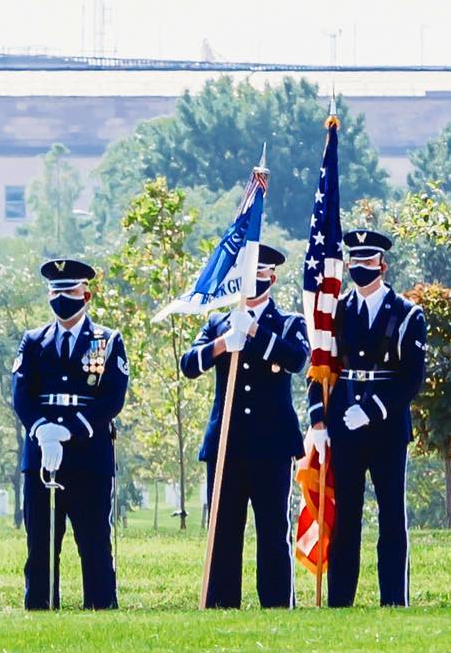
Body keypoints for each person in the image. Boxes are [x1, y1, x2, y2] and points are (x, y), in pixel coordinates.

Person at [180, 244, 309, 608]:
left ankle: (277, 603)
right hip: (228, 442)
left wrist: (255, 333)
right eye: (248, 272)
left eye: (261, 272)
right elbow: (189, 364)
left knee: (272, 531)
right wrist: (222, 344)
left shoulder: (288, 323)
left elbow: (297, 359)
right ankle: (222, 603)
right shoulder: (218, 322)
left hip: (271, 445)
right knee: (223, 531)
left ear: (272, 277)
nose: (254, 279)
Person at [307, 229, 427, 607]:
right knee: (347, 517)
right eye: (354, 262)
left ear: (383, 265)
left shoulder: (407, 315)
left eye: (368, 262)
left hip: (387, 428)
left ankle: (394, 599)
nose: (361, 269)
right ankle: (341, 600)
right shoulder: (337, 312)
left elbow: (411, 378)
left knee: (392, 515)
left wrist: (372, 409)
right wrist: (319, 421)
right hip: (344, 425)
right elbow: (320, 366)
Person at [11, 259, 128, 610]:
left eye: (70, 291)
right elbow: (21, 393)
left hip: (88, 454)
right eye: (56, 291)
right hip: (42, 454)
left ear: (86, 294)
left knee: (94, 542)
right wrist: (42, 429)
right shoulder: (33, 341)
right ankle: (41, 609)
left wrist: (70, 431)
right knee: (41, 543)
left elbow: (111, 397)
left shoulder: (106, 341)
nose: (62, 298)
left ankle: (100, 609)